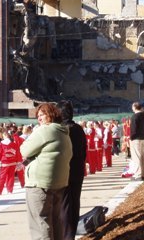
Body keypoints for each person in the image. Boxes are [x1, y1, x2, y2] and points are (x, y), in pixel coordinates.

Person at [20, 103, 72, 240]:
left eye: (42, 114)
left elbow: (24, 150)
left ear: (52, 114)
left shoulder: (44, 131)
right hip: (58, 182)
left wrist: (30, 136)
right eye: (38, 115)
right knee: (56, 221)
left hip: (39, 183)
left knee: (40, 223)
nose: (39, 118)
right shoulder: (63, 131)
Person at [57, 100, 87, 240]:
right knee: (74, 203)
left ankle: (66, 235)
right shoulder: (78, 128)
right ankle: (71, 234)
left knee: (64, 205)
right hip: (78, 169)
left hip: (65, 170)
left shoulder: (62, 130)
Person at [0, 129, 22, 195]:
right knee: (11, 177)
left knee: (1, 177)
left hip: (4, 163)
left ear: (4, 135)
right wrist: (18, 161)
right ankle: (10, 190)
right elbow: (18, 153)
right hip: (13, 163)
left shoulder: (1, 144)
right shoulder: (14, 144)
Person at [130, 102, 144, 181]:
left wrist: (131, 137)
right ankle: (142, 173)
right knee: (142, 157)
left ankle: (138, 174)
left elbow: (133, 129)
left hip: (136, 138)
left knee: (137, 157)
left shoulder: (135, 116)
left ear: (135, 107)